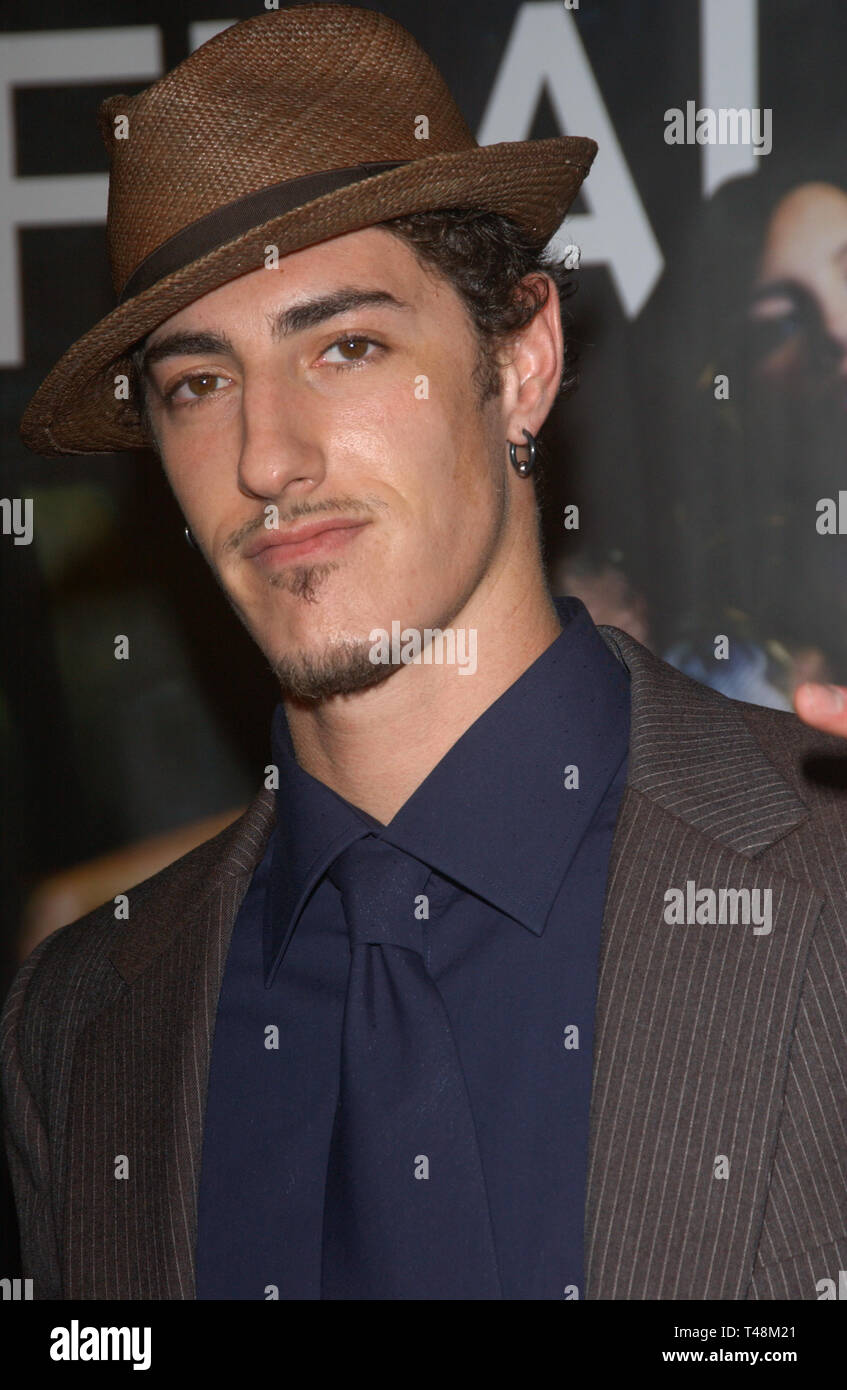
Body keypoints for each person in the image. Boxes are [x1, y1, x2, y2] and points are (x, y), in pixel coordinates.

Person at [3, 5, 846, 1302]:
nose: (266, 459)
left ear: (520, 366)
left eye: (345, 346)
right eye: (197, 382)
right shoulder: (76, 1023)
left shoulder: (824, 883)